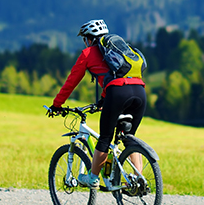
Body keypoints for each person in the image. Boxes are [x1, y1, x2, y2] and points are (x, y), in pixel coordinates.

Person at [48, 19, 147, 188]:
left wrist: (56, 105)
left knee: (105, 138)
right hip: (139, 92)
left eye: (85, 39)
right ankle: (138, 180)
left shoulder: (87, 54)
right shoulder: (120, 50)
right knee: (129, 138)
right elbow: (112, 77)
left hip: (117, 93)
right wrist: (103, 100)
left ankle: (93, 178)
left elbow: (71, 82)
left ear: (89, 39)